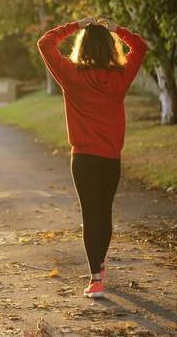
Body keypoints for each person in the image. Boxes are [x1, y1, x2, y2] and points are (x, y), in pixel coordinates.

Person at [37, 17, 148, 298]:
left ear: (82, 47)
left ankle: (96, 278)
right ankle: (99, 264)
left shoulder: (71, 75)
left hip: (83, 159)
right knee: (104, 213)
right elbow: (140, 47)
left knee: (90, 214)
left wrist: (75, 25)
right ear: (110, 48)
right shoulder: (120, 76)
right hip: (110, 158)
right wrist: (116, 29)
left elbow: (45, 43)